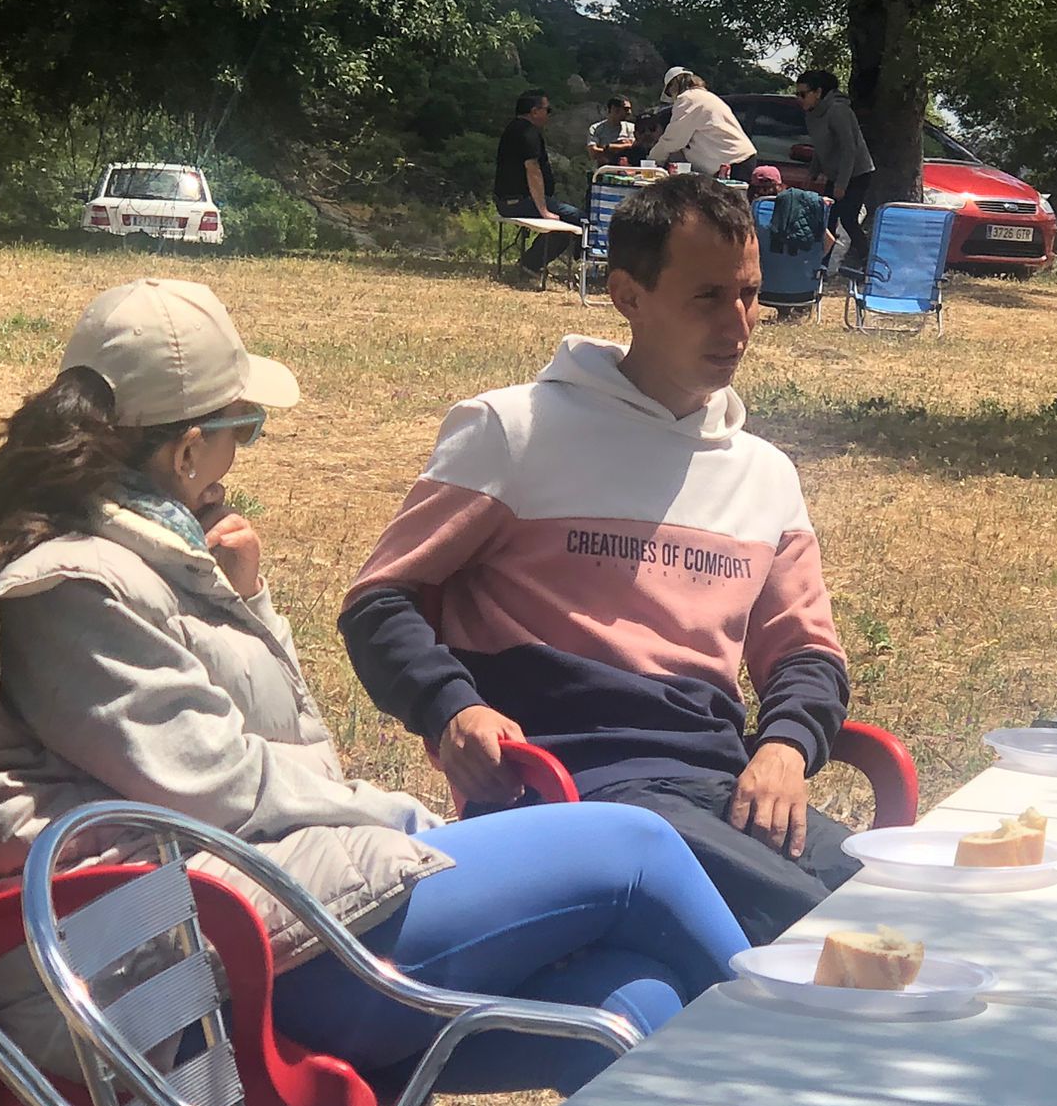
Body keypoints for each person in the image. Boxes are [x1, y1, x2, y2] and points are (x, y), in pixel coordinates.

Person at [0, 277, 747, 1095]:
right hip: (158, 975)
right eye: (246, 427)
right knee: (635, 852)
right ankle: (825, 1078)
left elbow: (284, 748)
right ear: (189, 447)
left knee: (633, 1004)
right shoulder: (71, 593)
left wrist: (246, 595)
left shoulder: (133, 563)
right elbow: (217, 786)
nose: (243, 453)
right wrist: (400, 817)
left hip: (223, 926)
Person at [342, 178, 858, 944]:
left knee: (903, 897)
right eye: (708, 296)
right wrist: (454, 708)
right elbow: (380, 602)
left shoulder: (764, 473)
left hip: (721, 790)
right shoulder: (513, 431)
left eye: (750, 294)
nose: (739, 324)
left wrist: (784, 746)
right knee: (834, 936)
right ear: (627, 296)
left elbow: (809, 653)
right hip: (570, 792)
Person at [494, 89, 583, 285]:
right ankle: (532, 264)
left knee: (569, 216)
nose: (548, 115)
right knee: (576, 218)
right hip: (519, 201)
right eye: (547, 110)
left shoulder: (514, 128)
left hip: (511, 199)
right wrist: (543, 210)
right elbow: (532, 170)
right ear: (534, 111)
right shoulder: (528, 132)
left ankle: (533, 263)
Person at [794, 69, 876, 267]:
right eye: (797, 94)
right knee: (826, 218)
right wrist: (812, 172)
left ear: (818, 92)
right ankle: (821, 265)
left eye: (803, 94)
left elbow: (850, 149)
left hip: (857, 172)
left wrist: (842, 184)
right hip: (835, 173)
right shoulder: (812, 115)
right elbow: (821, 147)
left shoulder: (838, 111)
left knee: (848, 218)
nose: (799, 99)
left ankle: (868, 261)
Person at [647, 68, 758, 183]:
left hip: (732, 163)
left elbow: (674, 140)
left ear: (674, 86)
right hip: (737, 159)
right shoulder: (706, 97)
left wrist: (653, 160)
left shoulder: (688, 98)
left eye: (669, 92)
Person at [587, 96, 638, 166]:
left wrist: (610, 148)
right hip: (604, 169)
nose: (629, 112)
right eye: (626, 109)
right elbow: (593, 152)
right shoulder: (596, 128)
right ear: (615, 109)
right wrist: (624, 146)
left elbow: (636, 148)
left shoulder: (632, 127)